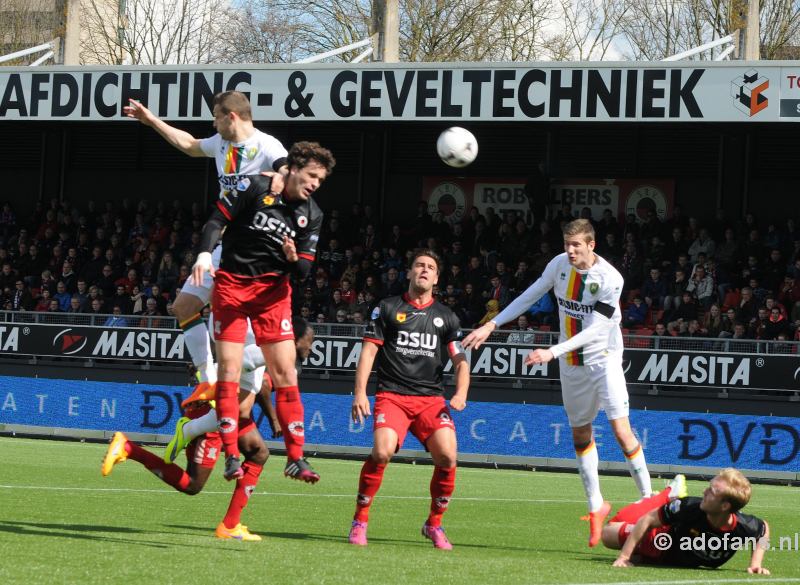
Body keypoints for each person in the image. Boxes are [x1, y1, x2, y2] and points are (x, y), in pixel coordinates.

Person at [463, 219, 652, 547]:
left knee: (621, 431)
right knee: (581, 433)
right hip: (571, 364)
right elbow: (529, 295)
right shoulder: (558, 266)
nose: (570, 251)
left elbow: (596, 329)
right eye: (567, 245)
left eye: (576, 245)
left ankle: (649, 501)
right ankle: (596, 507)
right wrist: (492, 324)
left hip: (603, 359)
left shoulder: (610, 278)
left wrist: (551, 351)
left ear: (591, 245)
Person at [124, 91, 288, 386]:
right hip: (223, 243)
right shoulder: (221, 143)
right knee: (184, 307)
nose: (213, 123)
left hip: (256, 251)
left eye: (215, 116)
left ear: (231, 116)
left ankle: (265, 360)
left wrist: (283, 175)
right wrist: (151, 121)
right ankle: (206, 376)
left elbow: (287, 166)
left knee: (247, 360)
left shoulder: (266, 144)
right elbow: (188, 144)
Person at [192, 141, 335, 482]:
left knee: (286, 373)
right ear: (294, 168)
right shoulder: (254, 186)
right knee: (227, 368)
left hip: (273, 295)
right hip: (232, 288)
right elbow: (214, 222)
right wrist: (202, 255)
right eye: (312, 176)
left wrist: (291, 258)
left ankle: (296, 457)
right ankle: (230, 455)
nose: (315, 184)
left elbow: (303, 272)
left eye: (321, 180)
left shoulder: (312, 215)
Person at [348, 249, 470, 550]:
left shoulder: (447, 317)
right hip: (392, 396)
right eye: (419, 265)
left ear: (437, 278)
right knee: (382, 451)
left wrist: (461, 393)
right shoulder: (387, 308)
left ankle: (434, 524)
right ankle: (360, 520)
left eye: (430, 267)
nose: (424, 270)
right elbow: (368, 352)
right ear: (409, 272)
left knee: (448, 456)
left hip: (430, 400)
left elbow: (461, 361)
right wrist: (360, 392)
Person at [101, 378, 278, 542]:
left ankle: (231, 525)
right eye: (307, 343)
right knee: (192, 485)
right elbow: (262, 384)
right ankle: (128, 448)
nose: (307, 349)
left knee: (258, 454)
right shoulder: (279, 354)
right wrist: (274, 420)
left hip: (220, 409)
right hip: (215, 412)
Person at [605, 469, 770, 574]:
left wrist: (755, 563)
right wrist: (624, 557)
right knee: (607, 533)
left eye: (712, 491)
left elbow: (763, 530)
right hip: (660, 540)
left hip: (674, 558)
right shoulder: (690, 507)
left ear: (725, 506)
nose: (704, 491)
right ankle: (666, 495)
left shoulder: (744, 526)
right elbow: (648, 519)